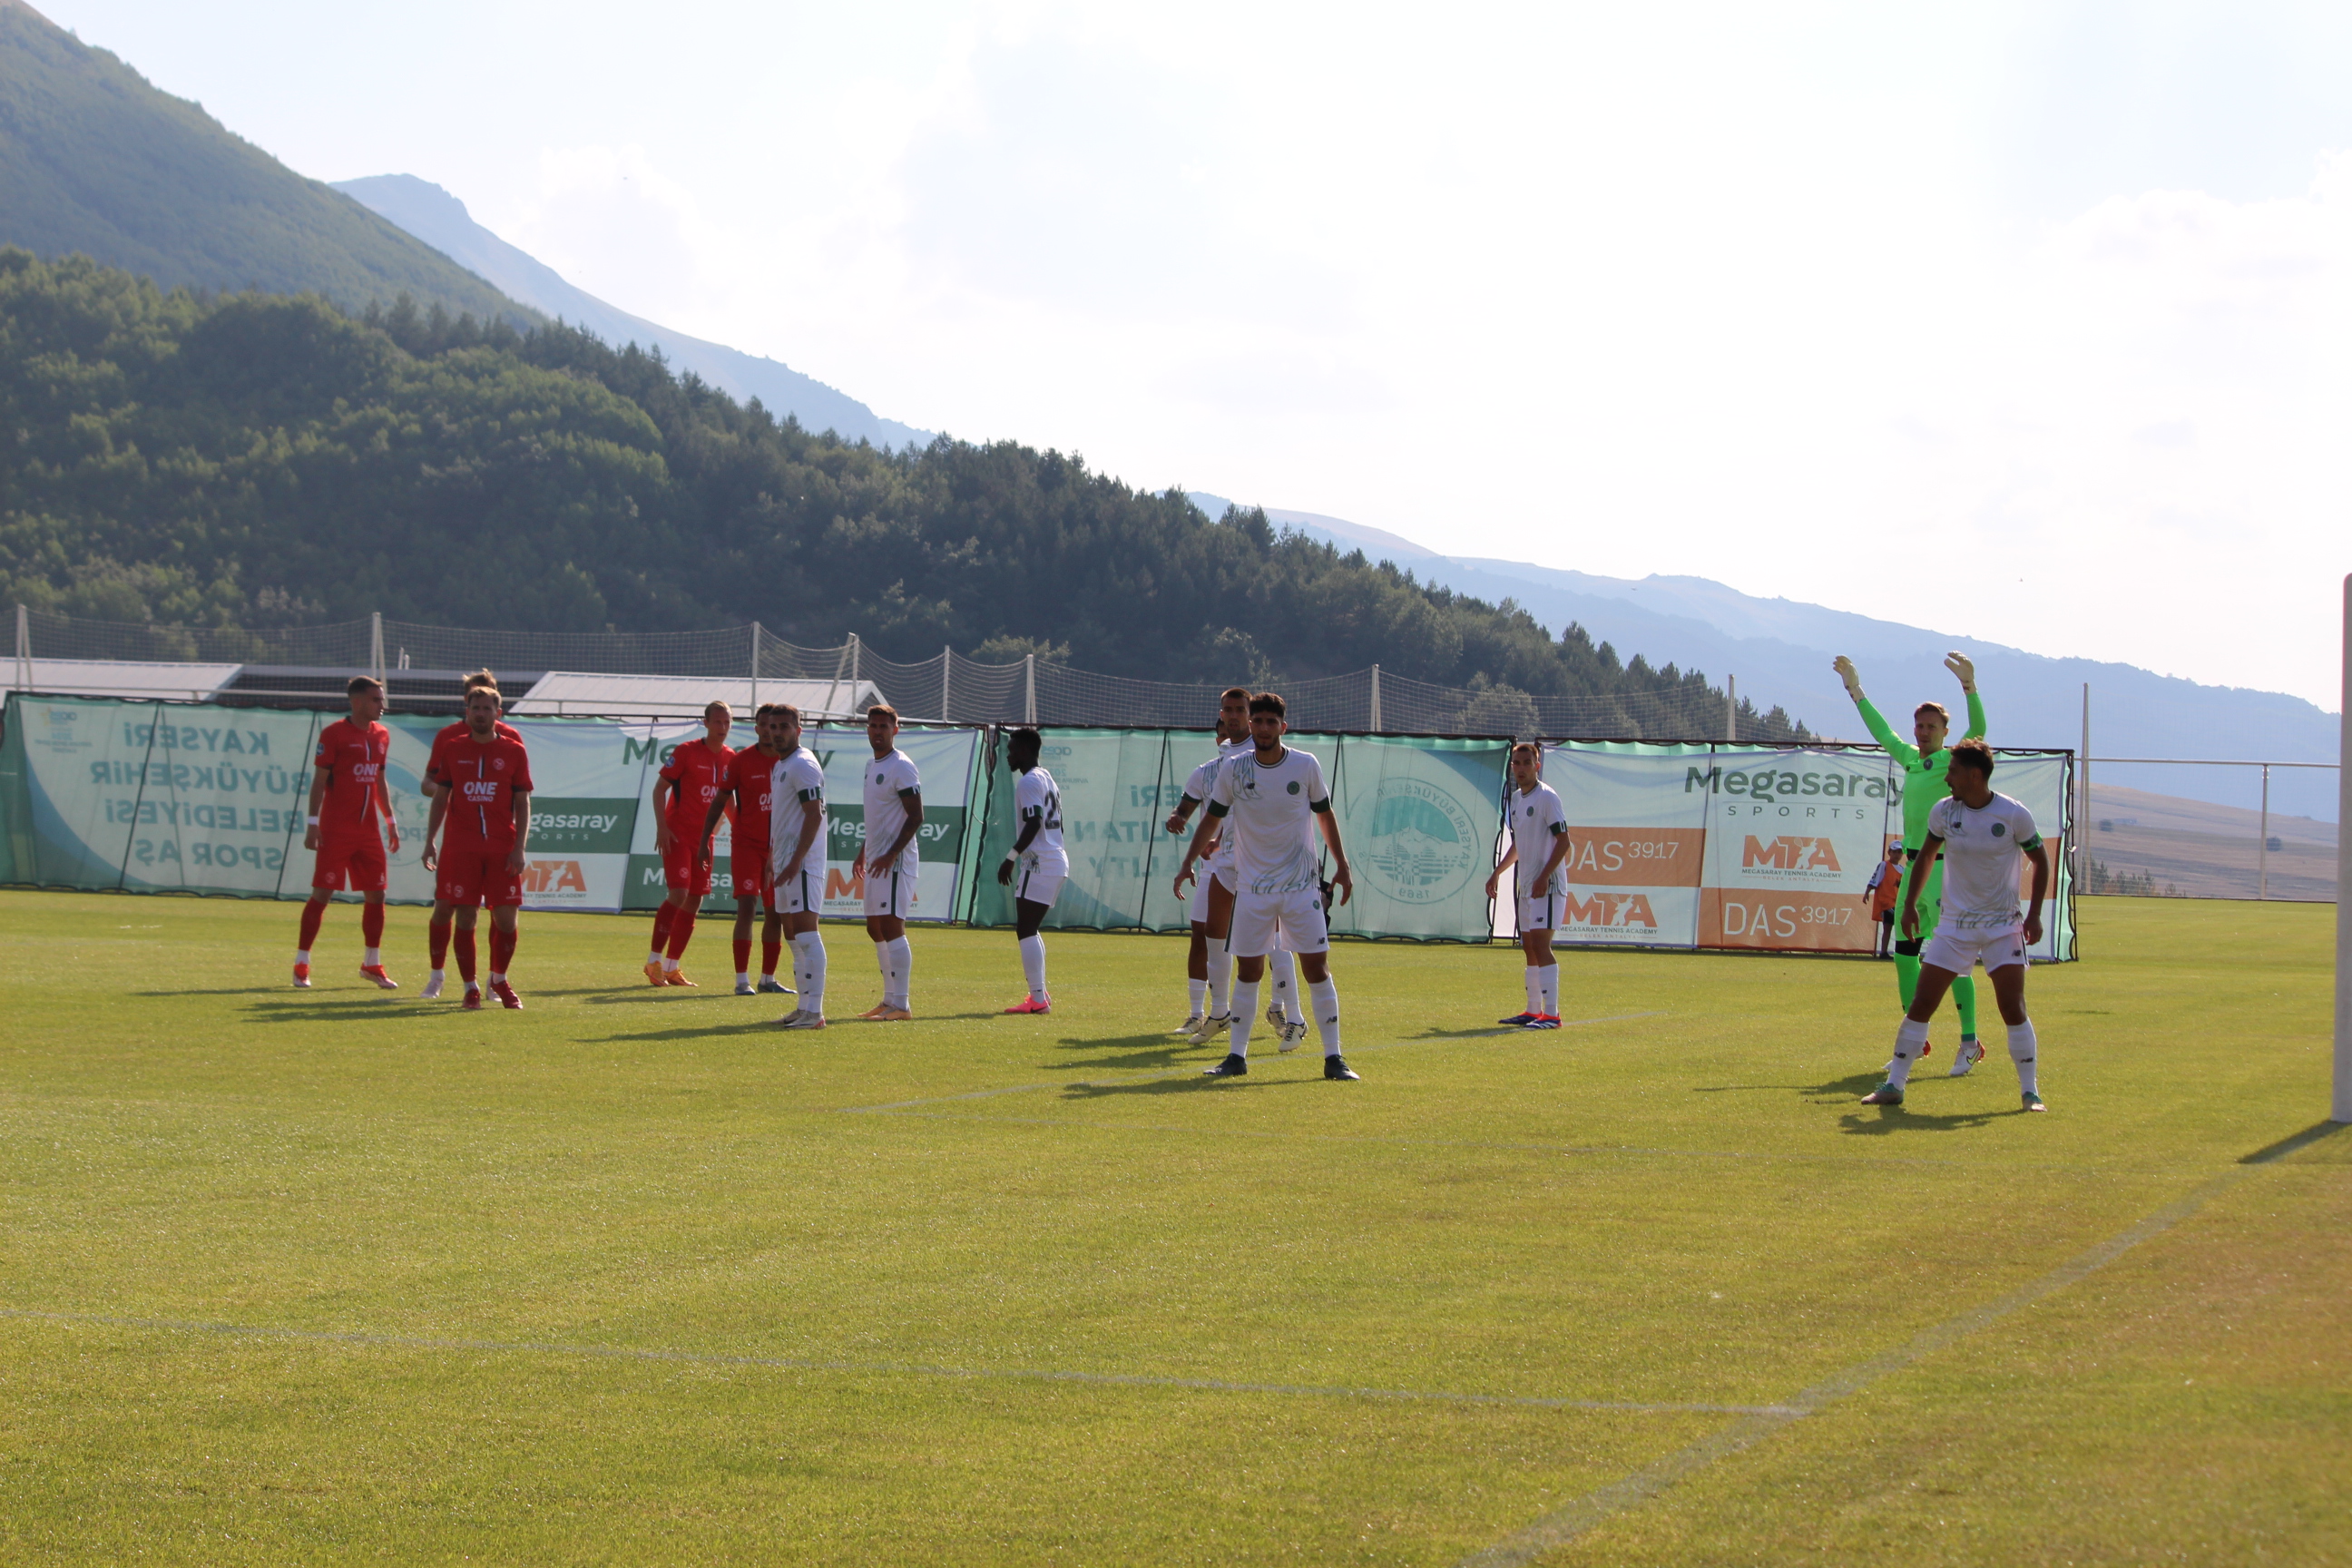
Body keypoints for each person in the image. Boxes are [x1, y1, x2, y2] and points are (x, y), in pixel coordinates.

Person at [1175, 692, 1359, 1080]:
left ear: (1282, 727)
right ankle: (1236, 1058)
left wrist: (1342, 864)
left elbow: (1325, 816)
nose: (1261, 728)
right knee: (1248, 971)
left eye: (1269, 722)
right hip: (1253, 889)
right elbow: (1211, 819)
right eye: (1256, 722)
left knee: (1317, 969)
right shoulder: (1235, 769)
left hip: (1300, 887)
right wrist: (1188, 861)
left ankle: (1334, 1058)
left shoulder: (1305, 765)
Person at [1861, 740, 2051, 1111]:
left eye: (1953, 771)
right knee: (1922, 1004)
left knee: (2012, 1007)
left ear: (1974, 775)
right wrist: (1911, 904)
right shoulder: (1944, 812)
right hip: (1954, 926)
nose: (1947, 778)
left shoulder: (2013, 814)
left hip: (2002, 927)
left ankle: (2030, 1092)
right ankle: (1894, 1085)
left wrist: (2034, 915)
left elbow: (2041, 862)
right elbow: (1926, 856)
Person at [1836, 652, 1988, 1073]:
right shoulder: (1909, 758)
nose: (1922, 732)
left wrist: (1969, 685)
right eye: (1919, 725)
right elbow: (1880, 729)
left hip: (1945, 870)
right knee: (1905, 955)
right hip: (1913, 872)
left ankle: (1970, 1041)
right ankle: (1915, 1040)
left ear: (1944, 732)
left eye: (1930, 726)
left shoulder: (1952, 761)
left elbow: (1979, 730)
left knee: (1954, 961)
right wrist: (1855, 689)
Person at [1164, 689, 1305, 1047]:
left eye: (1241, 711)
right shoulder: (1221, 762)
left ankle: (1289, 1013)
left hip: (1262, 864)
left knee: (1273, 941)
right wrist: (1192, 834)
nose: (1234, 717)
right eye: (1228, 710)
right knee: (1211, 935)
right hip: (1224, 863)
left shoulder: (1268, 756)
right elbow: (1209, 811)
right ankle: (1215, 1011)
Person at [418, 684, 533, 1009]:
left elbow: (522, 800)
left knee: (507, 920)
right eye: (475, 708)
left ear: (498, 714)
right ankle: (469, 987)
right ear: (466, 712)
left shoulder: (514, 751)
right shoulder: (453, 748)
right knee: (466, 917)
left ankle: (498, 978)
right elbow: (441, 797)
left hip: (502, 847)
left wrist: (519, 847)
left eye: (487, 708)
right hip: (461, 848)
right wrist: (430, 841)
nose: (480, 714)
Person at [294, 675, 402, 989]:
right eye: (376, 699)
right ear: (356, 701)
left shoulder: (381, 735)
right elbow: (318, 782)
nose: (382, 705)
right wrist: (313, 824)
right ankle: (302, 962)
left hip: (368, 830)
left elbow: (379, 780)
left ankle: (371, 963)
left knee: (377, 894)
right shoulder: (335, 734)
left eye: (381, 699)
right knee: (322, 894)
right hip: (336, 829)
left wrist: (390, 820)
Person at [701, 704, 795, 997]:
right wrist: (705, 837)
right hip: (746, 845)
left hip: (777, 849)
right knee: (746, 907)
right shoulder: (741, 761)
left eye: (774, 725)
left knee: (776, 913)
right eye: (764, 725)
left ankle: (768, 978)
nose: (769, 730)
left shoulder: (789, 762)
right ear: (757, 728)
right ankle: (742, 980)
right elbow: (719, 800)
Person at [645, 701, 734, 988]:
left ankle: (672, 967)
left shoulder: (731, 757)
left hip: (704, 839)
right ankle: (653, 961)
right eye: (717, 722)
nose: (722, 728)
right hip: (677, 833)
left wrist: (741, 829)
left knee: (695, 899)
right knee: (679, 893)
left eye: (727, 722)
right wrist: (661, 827)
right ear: (705, 723)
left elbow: (728, 801)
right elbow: (660, 788)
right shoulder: (686, 751)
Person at [1485, 741, 1572, 1028]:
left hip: (1546, 885)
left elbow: (1564, 841)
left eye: (1526, 763)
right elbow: (1519, 846)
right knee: (1529, 946)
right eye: (1516, 763)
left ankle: (1553, 1014)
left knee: (1541, 944)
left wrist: (1545, 876)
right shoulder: (1517, 800)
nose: (1521, 768)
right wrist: (1497, 872)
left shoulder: (1546, 798)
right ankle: (1533, 1010)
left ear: (1537, 766)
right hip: (1527, 884)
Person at [851, 704, 922, 1021]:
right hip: (877, 857)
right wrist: (865, 849)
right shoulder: (871, 764)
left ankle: (902, 1004)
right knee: (874, 927)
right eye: (873, 725)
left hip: (896, 859)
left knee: (892, 927)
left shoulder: (902, 766)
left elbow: (916, 816)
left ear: (896, 728)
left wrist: (892, 853)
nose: (877, 731)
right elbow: (880, 816)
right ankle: (888, 998)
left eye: (884, 726)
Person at [768, 704, 832, 1031]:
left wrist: (795, 861)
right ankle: (803, 1006)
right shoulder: (780, 766)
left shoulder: (803, 764)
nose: (777, 732)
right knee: (793, 937)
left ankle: (815, 1012)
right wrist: (773, 856)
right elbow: (783, 818)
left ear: (798, 730)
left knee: (807, 934)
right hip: (785, 863)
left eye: (784, 727)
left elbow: (814, 814)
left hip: (802, 864)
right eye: (773, 727)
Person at [996, 728, 1068, 1014]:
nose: (1008, 755)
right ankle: (1039, 995)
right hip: (1054, 858)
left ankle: (1037, 999)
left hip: (1040, 862)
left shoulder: (1027, 782)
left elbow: (1035, 821)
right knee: (1030, 928)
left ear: (1024, 751)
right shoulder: (1046, 777)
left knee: (1025, 928)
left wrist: (1011, 856)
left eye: (1012, 750)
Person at [1864, 840, 1906, 959]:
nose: (1897, 854)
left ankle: (1896, 952)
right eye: (1894, 852)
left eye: (1899, 852)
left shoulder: (1902, 870)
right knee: (1888, 926)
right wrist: (1867, 892)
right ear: (1889, 852)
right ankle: (1883, 952)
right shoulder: (1884, 865)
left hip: (1897, 902)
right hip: (1886, 901)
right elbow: (1875, 878)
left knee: (1896, 927)